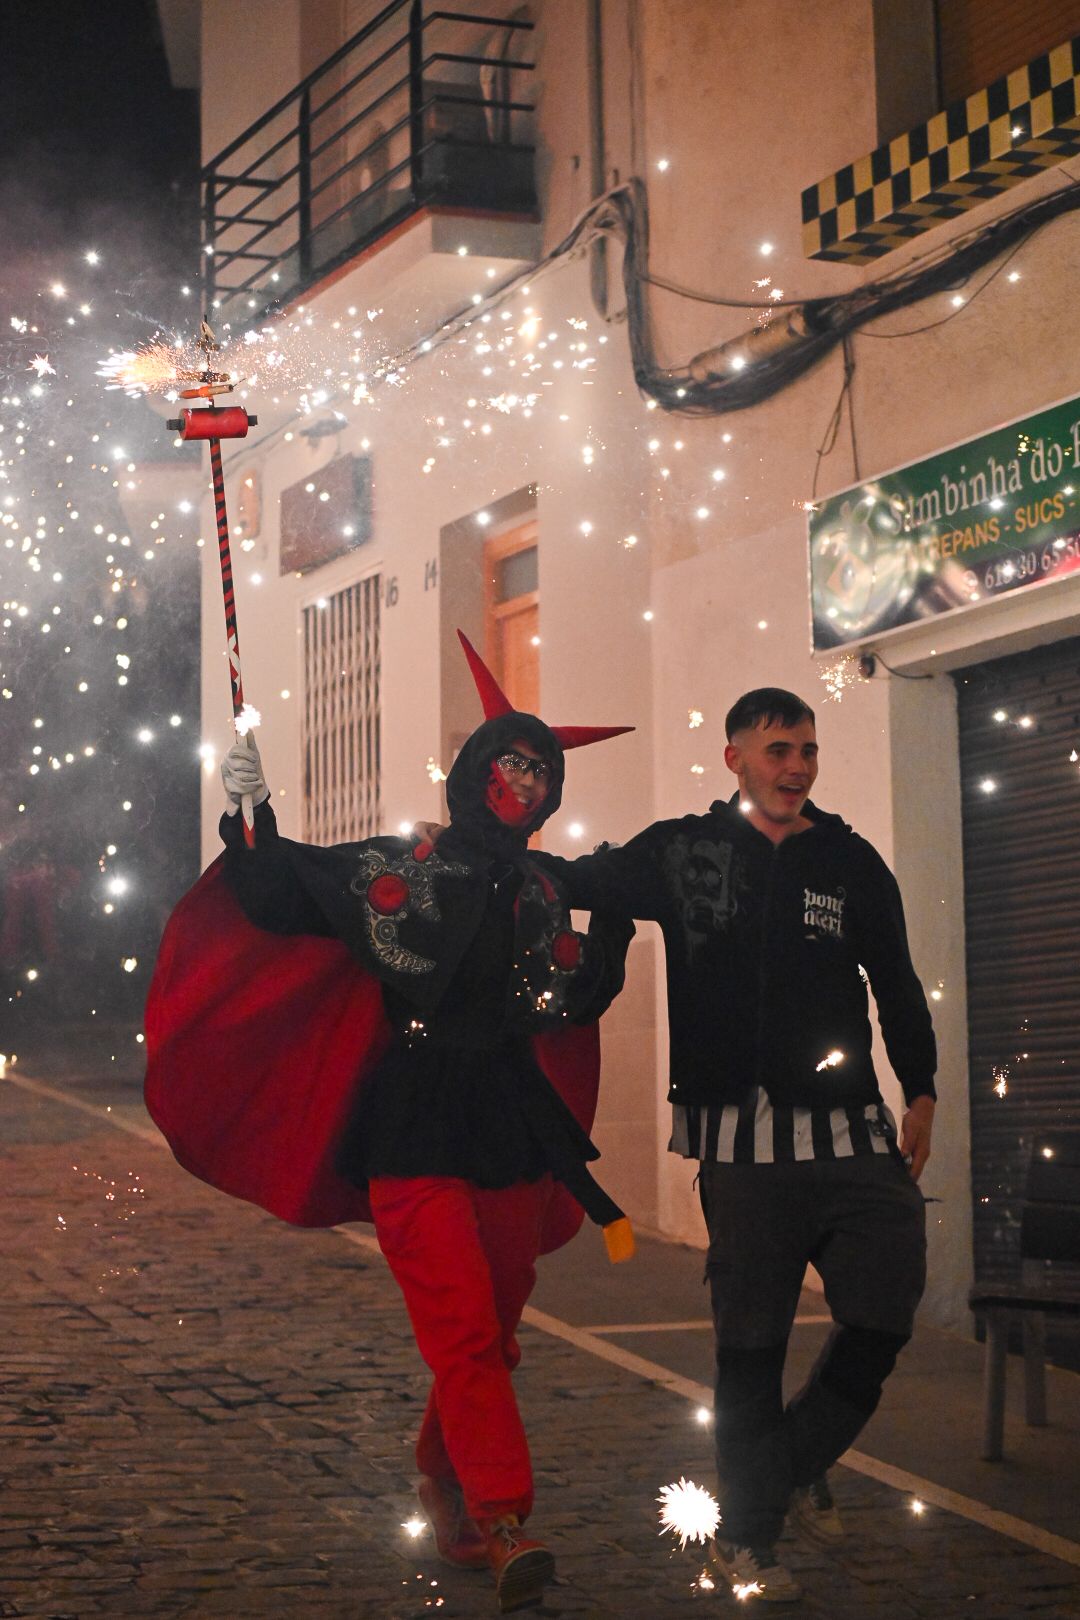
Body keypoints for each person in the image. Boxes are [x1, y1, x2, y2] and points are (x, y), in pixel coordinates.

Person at [144, 634, 634, 1616]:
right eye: (508, 764)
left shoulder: (546, 894)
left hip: (508, 1131)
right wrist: (249, 808)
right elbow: (284, 890)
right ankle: (504, 1522)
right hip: (412, 1129)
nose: (521, 784)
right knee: (459, 1330)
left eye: (539, 771)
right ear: (471, 775)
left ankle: (444, 1480)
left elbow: (577, 998)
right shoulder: (404, 874)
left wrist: (612, 925)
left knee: (490, 1333)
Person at [425, 685, 936, 1603]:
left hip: (853, 1137)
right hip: (740, 1150)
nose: (797, 767)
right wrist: (472, 855)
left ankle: (776, 1469)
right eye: (779, 750)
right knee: (750, 1347)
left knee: (886, 1309)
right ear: (735, 756)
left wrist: (924, 1088)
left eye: (808, 750)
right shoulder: (682, 851)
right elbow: (572, 882)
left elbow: (895, 981)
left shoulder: (851, 861)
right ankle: (746, 1542)